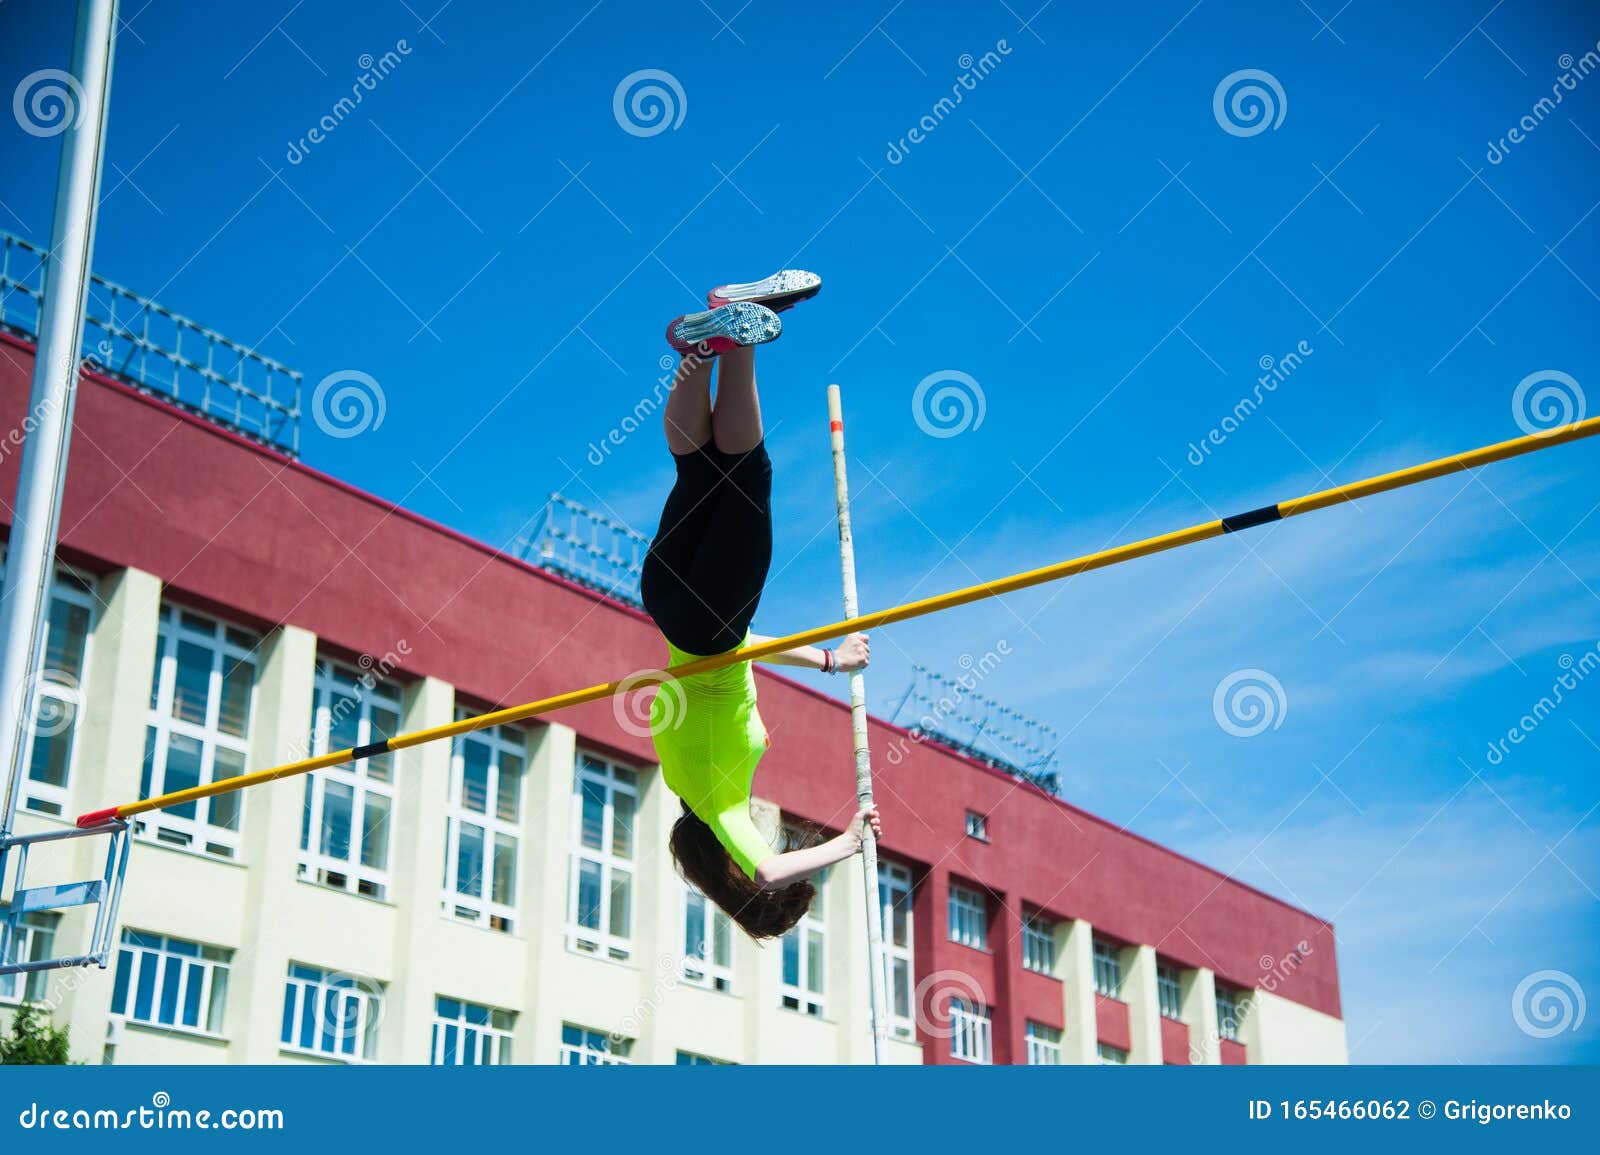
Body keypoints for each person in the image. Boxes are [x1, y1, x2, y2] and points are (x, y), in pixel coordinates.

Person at [641, 270, 881, 940]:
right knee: (703, 470)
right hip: (668, 604)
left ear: (732, 867)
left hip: (713, 622)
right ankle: (702, 346)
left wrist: (850, 842)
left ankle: (734, 327)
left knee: (749, 472)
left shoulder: (723, 808)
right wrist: (831, 660)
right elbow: (745, 653)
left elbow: (772, 873)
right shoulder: (683, 776)